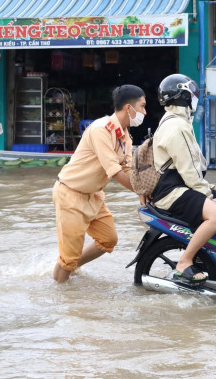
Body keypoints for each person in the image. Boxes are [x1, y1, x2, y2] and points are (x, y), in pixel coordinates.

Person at [52, 84, 147, 283]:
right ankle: (60, 296)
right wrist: (143, 191)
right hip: (71, 194)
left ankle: (74, 267)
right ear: (128, 108)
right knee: (67, 259)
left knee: (108, 239)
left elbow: (128, 170)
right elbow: (114, 171)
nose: (144, 112)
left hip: (94, 196)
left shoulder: (125, 136)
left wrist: (145, 190)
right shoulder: (101, 129)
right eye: (142, 107)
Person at [152, 74, 216, 284]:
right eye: (191, 94)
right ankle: (184, 261)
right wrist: (208, 194)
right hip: (172, 190)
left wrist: (211, 189)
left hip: (173, 187)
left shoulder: (173, 121)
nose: (195, 97)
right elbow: (190, 171)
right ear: (183, 96)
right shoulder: (178, 127)